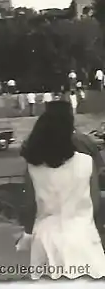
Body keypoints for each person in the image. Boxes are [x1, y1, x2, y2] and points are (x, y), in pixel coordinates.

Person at [19, 101, 105, 279]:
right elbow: (95, 203)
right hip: (82, 236)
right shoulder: (86, 162)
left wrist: (27, 233)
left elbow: (29, 206)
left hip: (45, 238)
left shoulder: (33, 167)